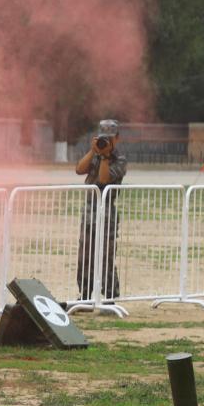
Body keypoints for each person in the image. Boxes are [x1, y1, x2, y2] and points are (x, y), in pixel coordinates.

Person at [74, 118, 128, 301]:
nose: (106, 141)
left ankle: (110, 296)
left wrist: (105, 157)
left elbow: (104, 180)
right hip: (89, 211)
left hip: (107, 212)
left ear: (117, 138)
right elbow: (79, 169)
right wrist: (93, 150)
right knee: (85, 255)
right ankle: (85, 295)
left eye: (110, 138)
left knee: (106, 256)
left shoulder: (120, 159)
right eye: (103, 137)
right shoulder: (94, 154)